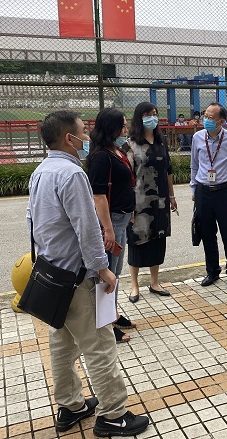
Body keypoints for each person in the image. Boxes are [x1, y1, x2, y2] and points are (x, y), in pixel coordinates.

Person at [27, 111, 149, 435]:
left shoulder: (40, 172)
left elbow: (32, 221)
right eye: (82, 132)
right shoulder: (72, 174)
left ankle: (71, 405)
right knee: (99, 346)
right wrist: (102, 268)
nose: (86, 137)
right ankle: (113, 415)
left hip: (54, 274)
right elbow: (87, 227)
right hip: (78, 276)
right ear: (69, 139)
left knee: (62, 343)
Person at [87, 108, 136, 343]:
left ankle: (112, 314)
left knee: (115, 272)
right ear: (111, 128)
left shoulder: (115, 151)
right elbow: (99, 196)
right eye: (122, 125)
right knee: (107, 275)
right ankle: (105, 325)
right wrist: (107, 230)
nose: (126, 129)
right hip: (111, 221)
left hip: (121, 219)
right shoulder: (100, 157)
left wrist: (130, 211)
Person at [123, 102, 177, 301]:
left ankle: (154, 282)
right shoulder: (130, 144)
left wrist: (172, 196)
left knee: (158, 240)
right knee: (136, 242)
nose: (152, 118)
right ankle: (134, 285)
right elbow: (127, 176)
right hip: (139, 202)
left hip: (160, 201)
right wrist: (129, 205)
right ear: (139, 117)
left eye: (155, 114)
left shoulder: (161, 142)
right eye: (147, 114)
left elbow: (168, 170)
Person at [191, 103, 227, 287]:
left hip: (224, 191)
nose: (206, 120)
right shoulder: (197, 137)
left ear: (221, 121)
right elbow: (194, 165)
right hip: (203, 191)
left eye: (211, 117)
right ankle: (212, 271)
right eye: (205, 116)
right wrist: (193, 189)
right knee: (207, 233)